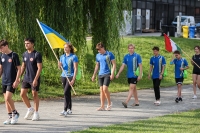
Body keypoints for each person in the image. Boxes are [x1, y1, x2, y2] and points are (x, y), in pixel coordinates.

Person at [20, 38, 42, 121]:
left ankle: (36, 113)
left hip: (34, 78)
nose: (26, 45)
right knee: (22, 94)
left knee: (34, 94)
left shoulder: (37, 54)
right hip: (26, 77)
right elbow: (23, 66)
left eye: (28, 43)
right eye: (25, 43)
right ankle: (30, 109)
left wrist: (36, 79)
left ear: (32, 44)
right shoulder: (24, 54)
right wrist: (19, 76)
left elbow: (39, 68)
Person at [0, 40, 21, 124]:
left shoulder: (14, 55)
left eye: (1, 48)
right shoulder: (2, 55)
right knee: (6, 99)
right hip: (4, 80)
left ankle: (15, 113)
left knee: (8, 98)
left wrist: (17, 80)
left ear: (6, 46)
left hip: (12, 80)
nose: (0, 50)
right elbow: (1, 68)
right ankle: (10, 116)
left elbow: (19, 69)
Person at [92, 42, 116, 111]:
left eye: (99, 49)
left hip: (107, 73)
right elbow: (97, 65)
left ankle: (109, 103)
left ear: (103, 48)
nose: (99, 51)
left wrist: (112, 73)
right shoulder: (98, 55)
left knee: (105, 89)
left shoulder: (109, 54)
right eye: (98, 50)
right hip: (100, 74)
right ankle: (102, 106)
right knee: (101, 90)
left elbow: (114, 64)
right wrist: (94, 75)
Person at [58, 42, 78, 117]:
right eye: (64, 47)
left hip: (70, 76)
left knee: (66, 92)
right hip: (63, 76)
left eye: (66, 47)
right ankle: (70, 108)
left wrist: (73, 79)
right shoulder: (62, 57)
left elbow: (75, 68)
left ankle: (65, 110)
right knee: (67, 93)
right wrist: (59, 65)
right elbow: (60, 68)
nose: (65, 49)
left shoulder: (74, 57)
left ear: (70, 48)